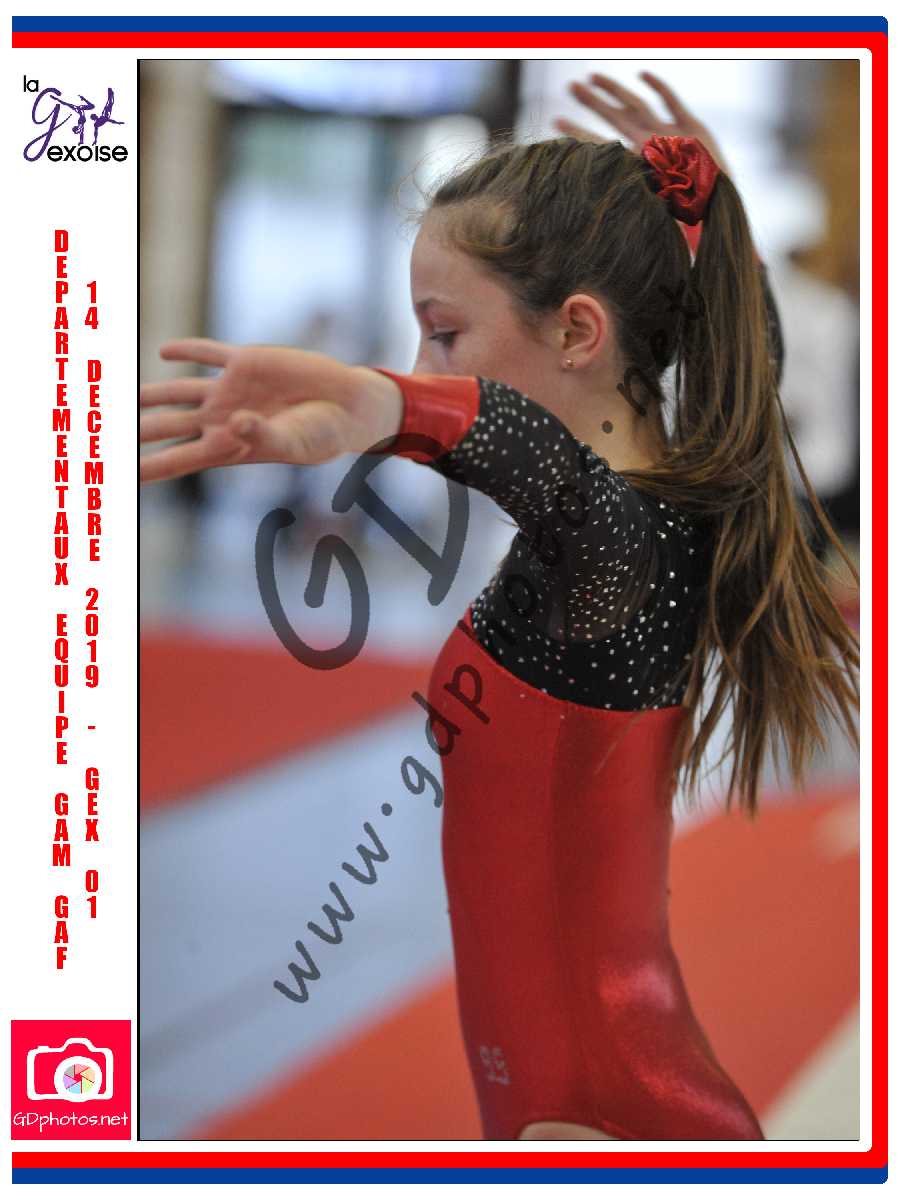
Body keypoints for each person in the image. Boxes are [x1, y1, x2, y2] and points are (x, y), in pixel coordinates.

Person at [140, 74, 860, 1141]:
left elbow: (532, 458)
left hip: (603, 1113)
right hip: (570, 1091)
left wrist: (384, 404)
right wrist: (714, 216)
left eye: (444, 334)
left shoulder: (625, 542)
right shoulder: (673, 505)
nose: (423, 362)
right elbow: (746, 351)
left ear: (578, 332)